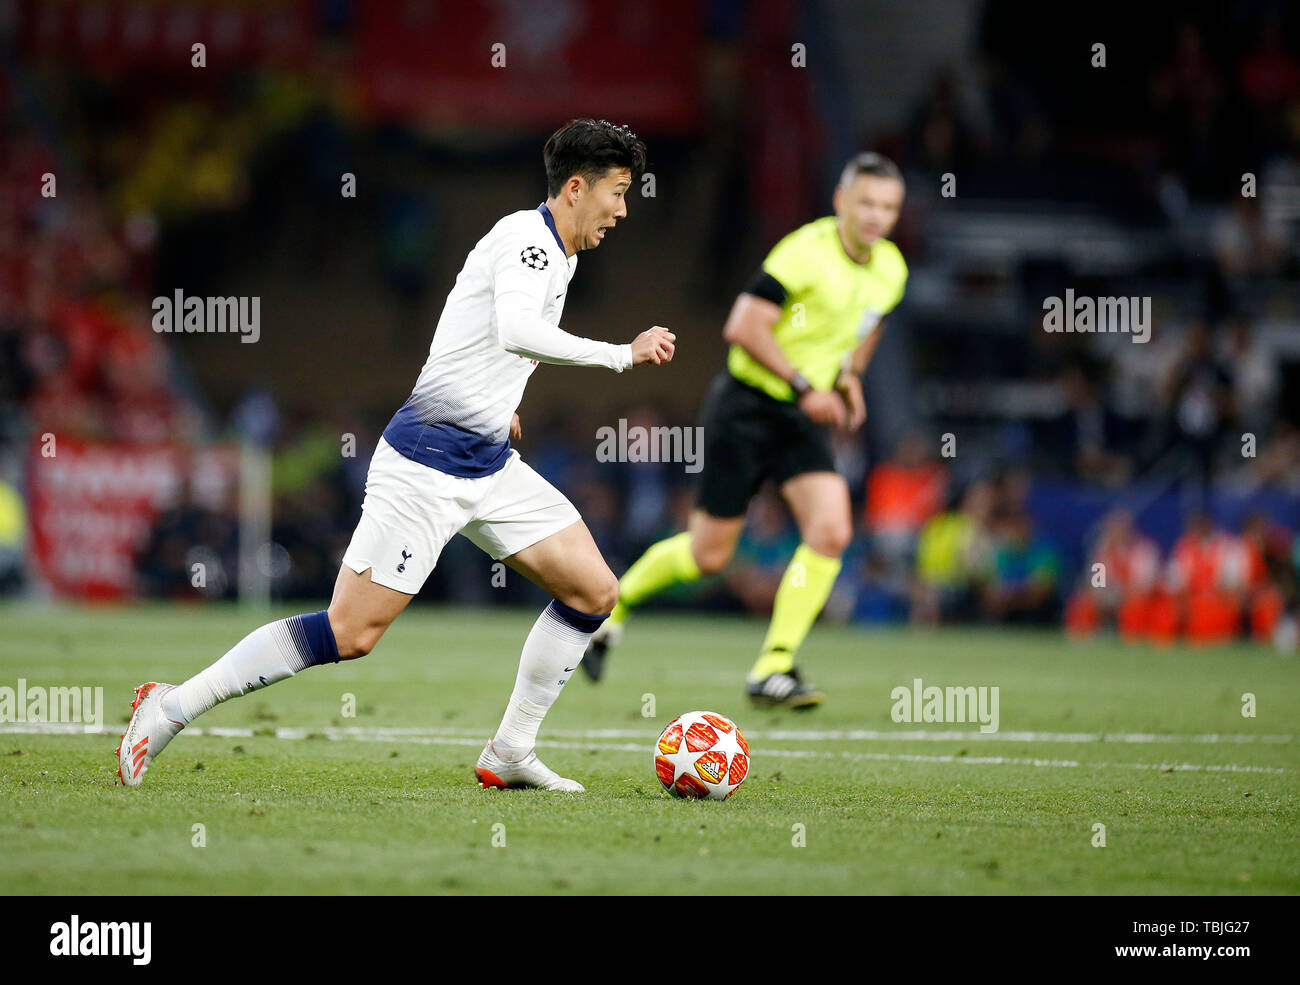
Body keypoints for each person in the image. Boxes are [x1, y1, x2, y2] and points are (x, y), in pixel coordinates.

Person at [117, 119, 675, 792]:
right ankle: (172, 705)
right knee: (350, 633)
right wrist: (621, 353)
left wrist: (500, 401)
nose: (622, 208)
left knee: (594, 590)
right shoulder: (528, 241)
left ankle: (510, 750)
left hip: (489, 464)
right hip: (425, 467)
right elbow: (517, 327)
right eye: (617, 191)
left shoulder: (558, 251)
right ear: (578, 187)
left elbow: (476, 331)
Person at [582, 152, 908, 708]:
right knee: (709, 555)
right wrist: (810, 386)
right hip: (747, 407)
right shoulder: (804, 253)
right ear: (841, 203)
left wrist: (851, 375)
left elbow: (869, 325)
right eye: (867, 203)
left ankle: (773, 666)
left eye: (888, 207)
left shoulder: (891, 269)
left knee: (831, 533)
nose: (877, 216)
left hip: (802, 415)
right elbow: (743, 327)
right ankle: (611, 609)